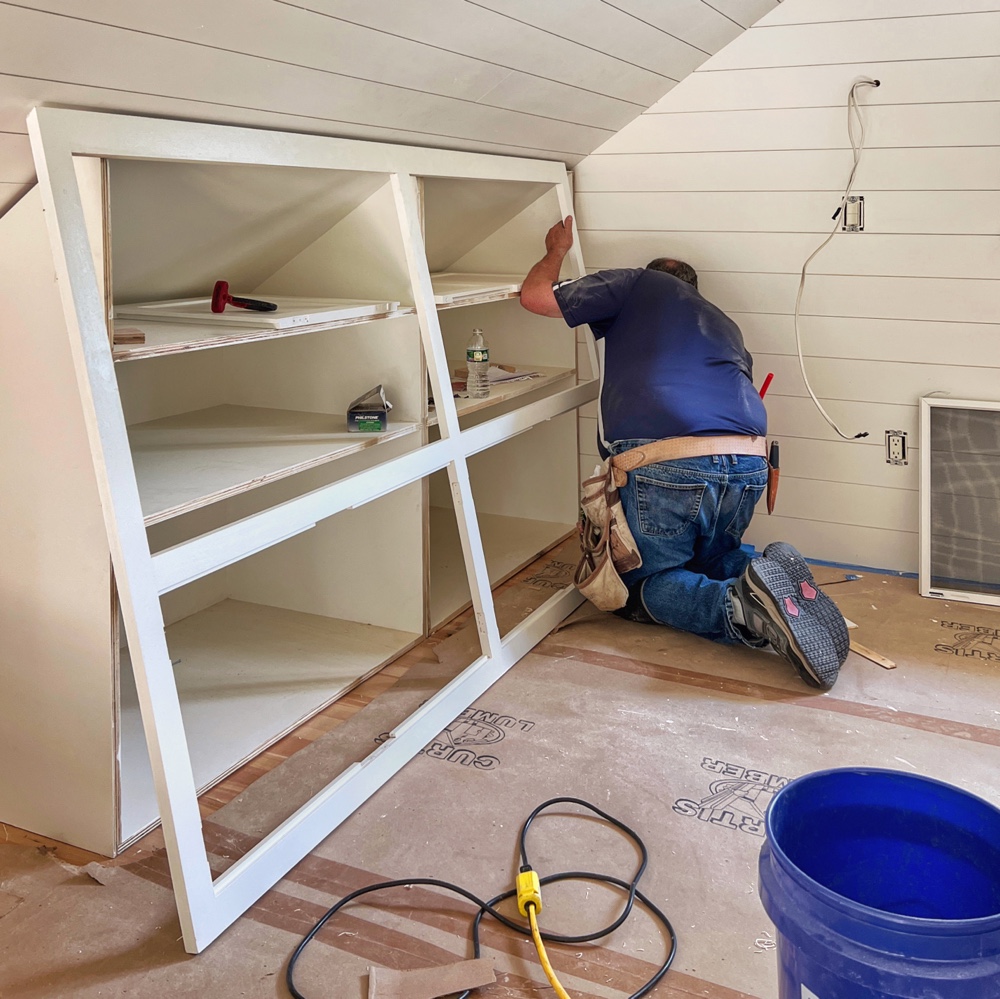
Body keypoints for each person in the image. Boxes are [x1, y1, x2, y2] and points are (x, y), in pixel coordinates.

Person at [519, 216, 849, 690]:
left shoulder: (636, 283)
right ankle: (764, 580)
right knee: (712, 557)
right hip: (750, 461)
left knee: (642, 588)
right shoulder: (723, 324)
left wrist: (554, 252)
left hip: (671, 461)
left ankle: (741, 610)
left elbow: (535, 297)